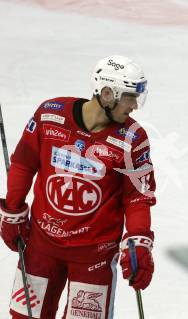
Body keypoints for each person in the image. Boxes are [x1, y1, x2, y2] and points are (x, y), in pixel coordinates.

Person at [0, 55, 156, 319]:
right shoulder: (50, 115)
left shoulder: (133, 138)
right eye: (130, 97)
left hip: (93, 256)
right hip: (41, 245)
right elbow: (24, 163)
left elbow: (137, 198)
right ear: (108, 93)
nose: (134, 106)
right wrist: (13, 210)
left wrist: (139, 240)